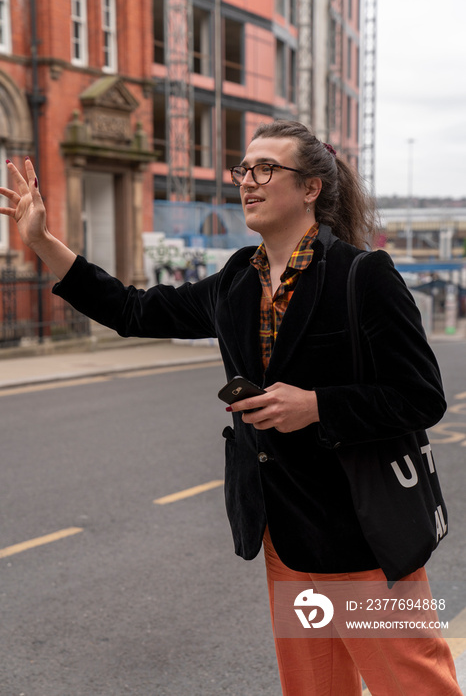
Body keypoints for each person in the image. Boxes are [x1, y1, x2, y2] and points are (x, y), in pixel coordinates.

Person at [0, 120, 461, 695]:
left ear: (311, 187)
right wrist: (42, 240)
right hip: (286, 533)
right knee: (314, 689)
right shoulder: (237, 280)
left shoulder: (362, 276)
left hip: (364, 533)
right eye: (244, 169)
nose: (248, 181)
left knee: (414, 686)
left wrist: (318, 405)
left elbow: (421, 395)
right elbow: (133, 310)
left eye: (267, 169)